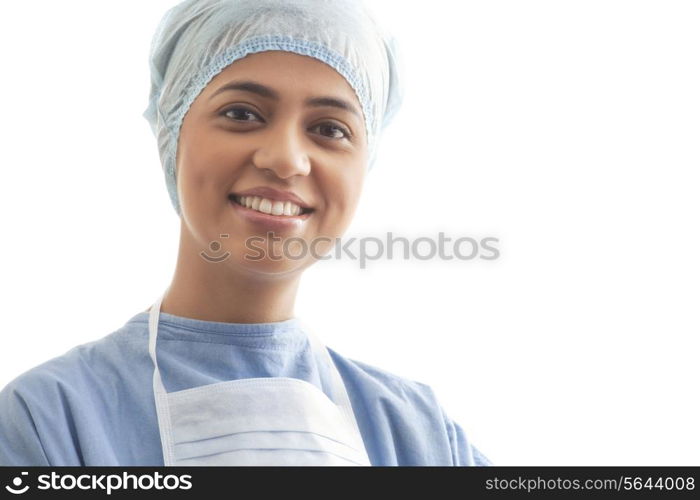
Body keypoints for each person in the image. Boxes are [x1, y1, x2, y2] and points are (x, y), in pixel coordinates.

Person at [0, 0, 491, 466]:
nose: (285, 159)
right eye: (242, 114)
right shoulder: (49, 420)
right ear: (173, 132)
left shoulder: (420, 434)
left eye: (330, 128)